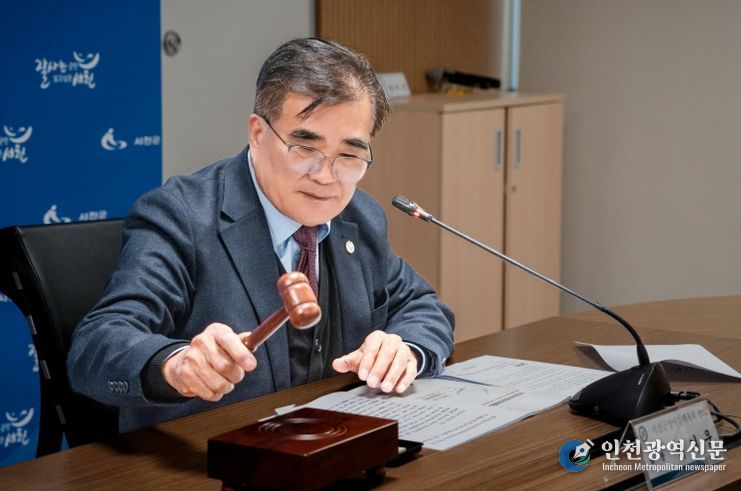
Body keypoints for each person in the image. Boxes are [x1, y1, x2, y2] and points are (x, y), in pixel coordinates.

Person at [67, 38, 454, 432]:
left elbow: (423, 306)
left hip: (326, 444)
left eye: (350, 155)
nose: (326, 176)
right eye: (305, 147)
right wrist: (174, 364)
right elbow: (96, 345)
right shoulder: (181, 216)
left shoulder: (359, 216)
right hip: (210, 450)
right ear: (257, 132)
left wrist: (405, 349)